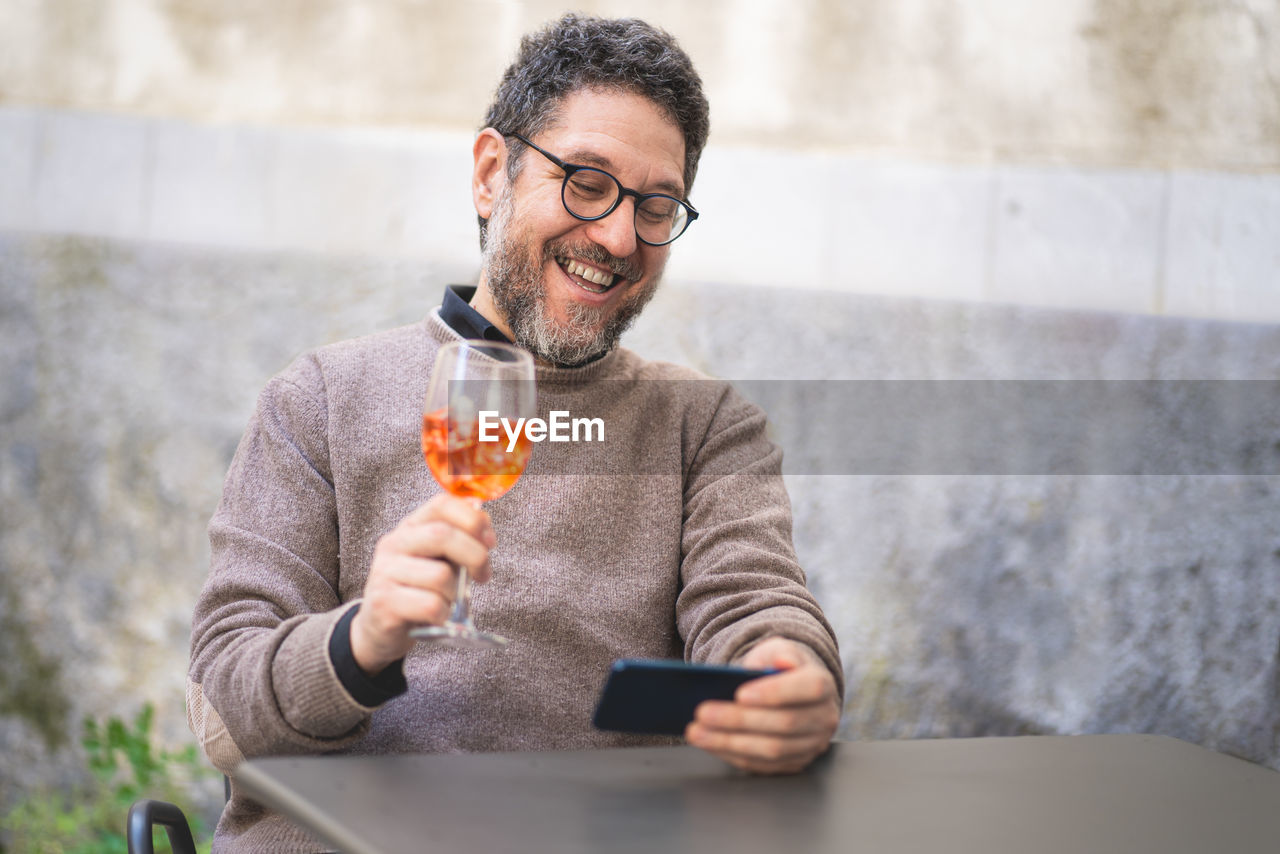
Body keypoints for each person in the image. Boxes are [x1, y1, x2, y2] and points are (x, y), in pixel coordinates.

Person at [188, 13, 842, 851]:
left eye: (656, 205)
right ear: (492, 174)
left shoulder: (706, 425)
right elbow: (222, 716)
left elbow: (755, 607)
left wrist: (790, 676)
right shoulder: (318, 400)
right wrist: (362, 640)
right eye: (588, 181)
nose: (616, 236)